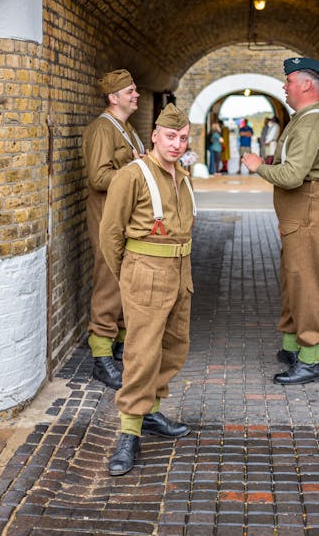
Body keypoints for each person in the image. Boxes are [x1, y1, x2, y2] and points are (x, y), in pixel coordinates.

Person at [100, 103, 196, 476]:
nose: (176, 144)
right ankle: (128, 433)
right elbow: (110, 235)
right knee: (141, 354)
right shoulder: (133, 174)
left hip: (179, 272)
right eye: (170, 136)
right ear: (155, 135)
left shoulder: (183, 176)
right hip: (145, 273)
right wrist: (129, 277)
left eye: (183, 138)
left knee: (173, 347)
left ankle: (151, 413)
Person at [242, 57, 319, 385]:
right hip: (302, 211)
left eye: (288, 81)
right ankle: (292, 347)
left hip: (310, 210)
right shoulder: (304, 119)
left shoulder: (313, 121)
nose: (284, 87)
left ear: (305, 85)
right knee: (292, 280)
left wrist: (259, 165)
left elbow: (291, 175)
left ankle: (310, 359)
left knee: (306, 284)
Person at [82, 69, 144, 390]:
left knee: (122, 277)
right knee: (108, 279)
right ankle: (101, 357)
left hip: (123, 216)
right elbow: (98, 178)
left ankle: (118, 342)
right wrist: (133, 167)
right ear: (113, 97)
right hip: (107, 215)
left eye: (135, 90)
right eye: (130, 91)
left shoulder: (126, 128)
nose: (136, 95)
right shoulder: (102, 130)